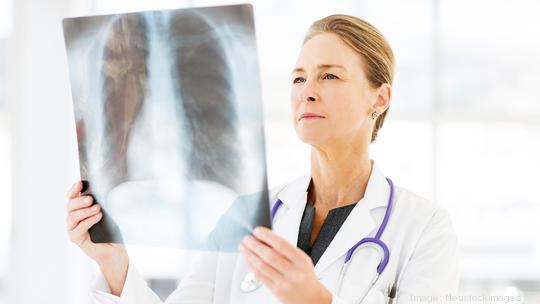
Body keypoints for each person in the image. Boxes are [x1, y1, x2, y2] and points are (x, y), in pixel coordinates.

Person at [66, 14, 459, 304]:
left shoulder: (423, 227)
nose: (307, 91)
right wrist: (113, 261)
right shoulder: (244, 215)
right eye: (299, 77)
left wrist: (314, 300)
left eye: (330, 76)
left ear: (380, 98)